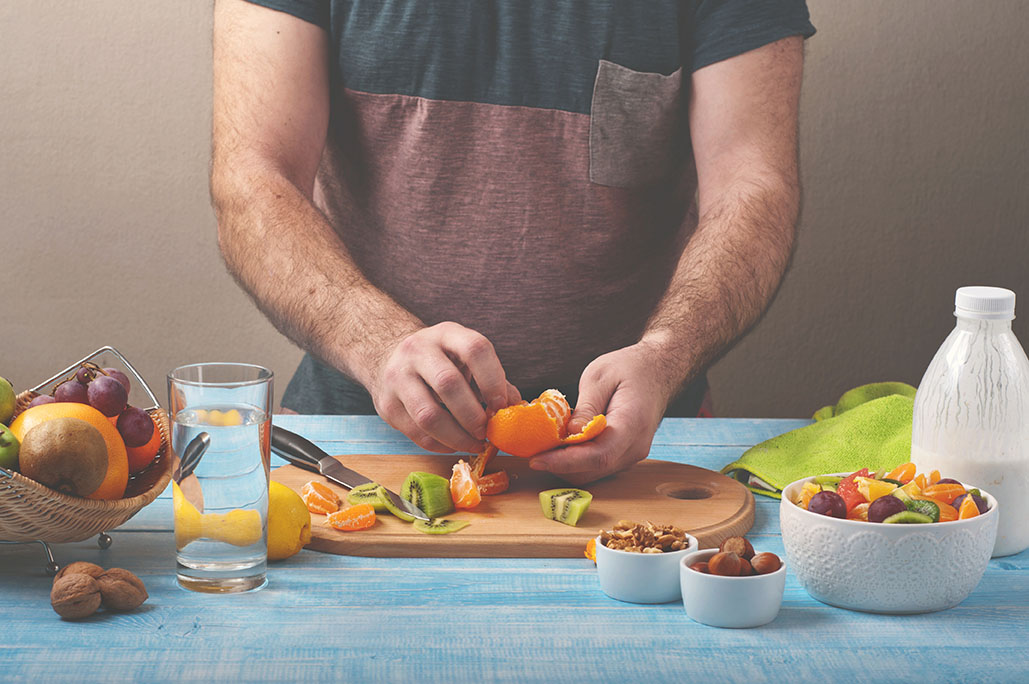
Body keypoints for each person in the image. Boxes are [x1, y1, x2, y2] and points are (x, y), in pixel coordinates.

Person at [210, 0, 815, 484]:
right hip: (350, 443)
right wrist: (377, 344)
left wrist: (666, 354)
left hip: (648, 442)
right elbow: (253, 179)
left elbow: (754, 186)